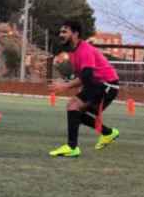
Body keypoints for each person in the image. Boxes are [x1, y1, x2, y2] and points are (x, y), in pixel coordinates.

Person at [48, 20, 121, 157]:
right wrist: (67, 82)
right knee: (75, 112)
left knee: (73, 106)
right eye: (60, 32)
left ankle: (72, 147)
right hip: (97, 84)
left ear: (75, 34)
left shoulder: (85, 49)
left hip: (107, 85)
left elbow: (87, 75)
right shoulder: (73, 52)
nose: (61, 34)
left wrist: (65, 86)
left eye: (65, 32)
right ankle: (108, 133)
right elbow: (84, 77)